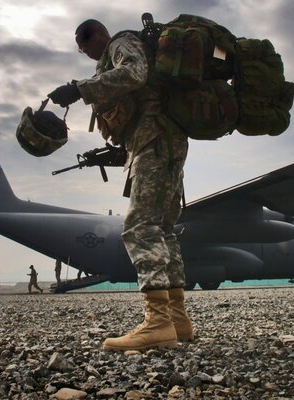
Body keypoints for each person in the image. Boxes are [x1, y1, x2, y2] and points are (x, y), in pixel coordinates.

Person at [47, 19, 193, 351]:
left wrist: (80, 89)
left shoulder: (121, 44)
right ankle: (177, 319)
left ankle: (157, 324)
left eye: (82, 42)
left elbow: (135, 73)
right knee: (162, 230)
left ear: (95, 35)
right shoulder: (114, 55)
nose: (82, 50)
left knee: (139, 227)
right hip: (160, 140)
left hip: (154, 139)